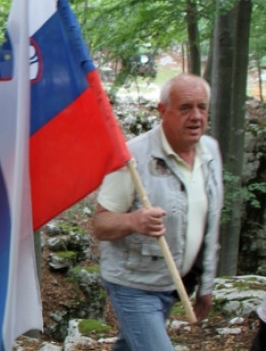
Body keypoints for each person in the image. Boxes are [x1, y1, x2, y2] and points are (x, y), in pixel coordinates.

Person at [92, 74, 223, 351]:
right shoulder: (132, 157)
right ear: (163, 111)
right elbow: (100, 224)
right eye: (186, 107)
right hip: (133, 285)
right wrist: (132, 221)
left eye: (202, 107)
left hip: (173, 284)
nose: (196, 116)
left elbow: (210, 225)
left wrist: (207, 284)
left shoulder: (210, 152)